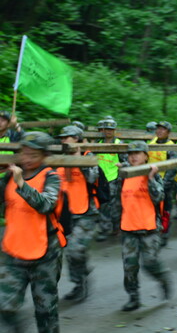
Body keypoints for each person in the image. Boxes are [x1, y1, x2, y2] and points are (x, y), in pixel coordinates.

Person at [0, 131, 66, 333]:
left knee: (45, 311)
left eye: (33, 155)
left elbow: (46, 205)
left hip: (44, 254)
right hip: (14, 251)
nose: (26, 159)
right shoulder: (11, 174)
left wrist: (21, 183)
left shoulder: (51, 177)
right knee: (5, 305)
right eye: (24, 153)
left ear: (44, 156)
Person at [117, 141, 172, 311]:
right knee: (129, 266)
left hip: (149, 228)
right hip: (128, 227)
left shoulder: (153, 173)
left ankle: (162, 278)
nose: (133, 156)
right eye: (131, 153)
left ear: (146, 156)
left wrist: (150, 179)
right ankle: (133, 297)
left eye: (138, 153)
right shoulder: (125, 173)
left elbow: (159, 197)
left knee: (150, 262)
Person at [56, 126, 99, 303]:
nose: (63, 140)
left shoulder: (88, 156)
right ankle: (78, 282)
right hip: (63, 213)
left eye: (67, 137)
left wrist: (77, 159)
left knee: (75, 249)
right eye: (62, 138)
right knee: (66, 252)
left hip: (85, 212)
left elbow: (91, 178)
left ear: (77, 139)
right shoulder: (57, 157)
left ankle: (81, 281)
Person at [148, 121, 177, 246]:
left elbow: (173, 167)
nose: (159, 131)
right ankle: (153, 232)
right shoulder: (151, 143)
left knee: (165, 210)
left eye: (163, 129)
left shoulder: (171, 146)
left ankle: (164, 234)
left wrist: (165, 183)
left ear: (168, 132)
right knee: (152, 209)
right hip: (151, 181)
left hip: (165, 183)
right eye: (158, 129)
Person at [95, 118, 126, 241]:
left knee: (114, 205)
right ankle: (104, 229)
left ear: (114, 130)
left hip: (114, 178)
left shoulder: (119, 143)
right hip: (101, 179)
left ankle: (116, 226)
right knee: (104, 204)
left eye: (111, 129)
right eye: (106, 129)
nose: (108, 131)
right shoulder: (98, 143)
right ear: (103, 130)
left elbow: (125, 161)